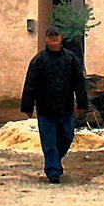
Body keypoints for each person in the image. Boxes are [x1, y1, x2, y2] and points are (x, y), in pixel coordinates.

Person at [20, 27, 88, 184]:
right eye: (50, 36)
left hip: (66, 108)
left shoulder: (71, 59)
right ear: (45, 39)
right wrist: (28, 107)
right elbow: (30, 85)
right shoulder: (38, 60)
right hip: (45, 110)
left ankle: (55, 161)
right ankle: (53, 171)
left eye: (56, 35)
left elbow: (79, 83)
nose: (53, 38)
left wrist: (82, 104)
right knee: (49, 142)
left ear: (61, 37)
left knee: (67, 137)